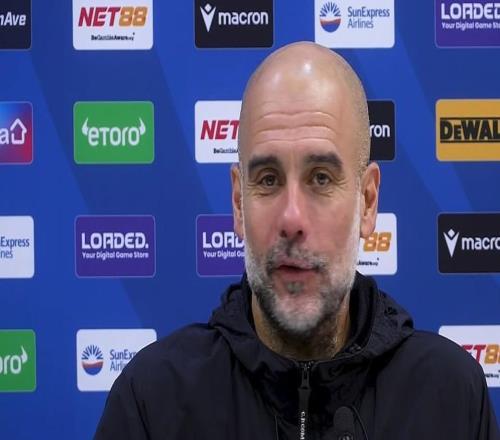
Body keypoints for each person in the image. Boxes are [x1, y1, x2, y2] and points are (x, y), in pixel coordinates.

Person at [94, 42, 499, 439]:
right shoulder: (153, 400)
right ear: (238, 203)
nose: (291, 219)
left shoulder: (449, 396)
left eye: (320, 178)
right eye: (268, 180)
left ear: (368, 201)